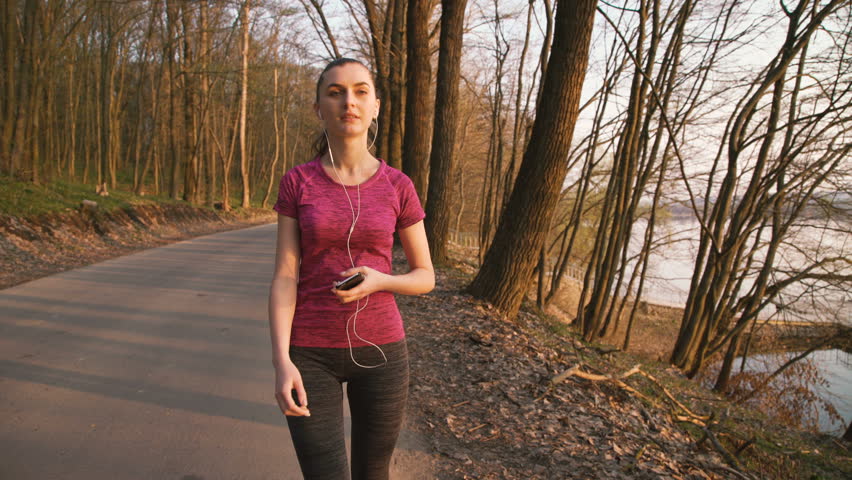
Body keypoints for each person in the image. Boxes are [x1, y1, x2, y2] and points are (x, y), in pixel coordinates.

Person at [267, 57, 435, 480]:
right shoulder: (297, 182)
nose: (349, 102)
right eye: (335, 92)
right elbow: (286, 276)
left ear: (376, 105)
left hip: (382, 354)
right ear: (318, 107)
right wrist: (281, 361)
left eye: (361, 91)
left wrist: (382, 281)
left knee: (372, 471)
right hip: (310, 353)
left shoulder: (398, 185)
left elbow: (425, 276)